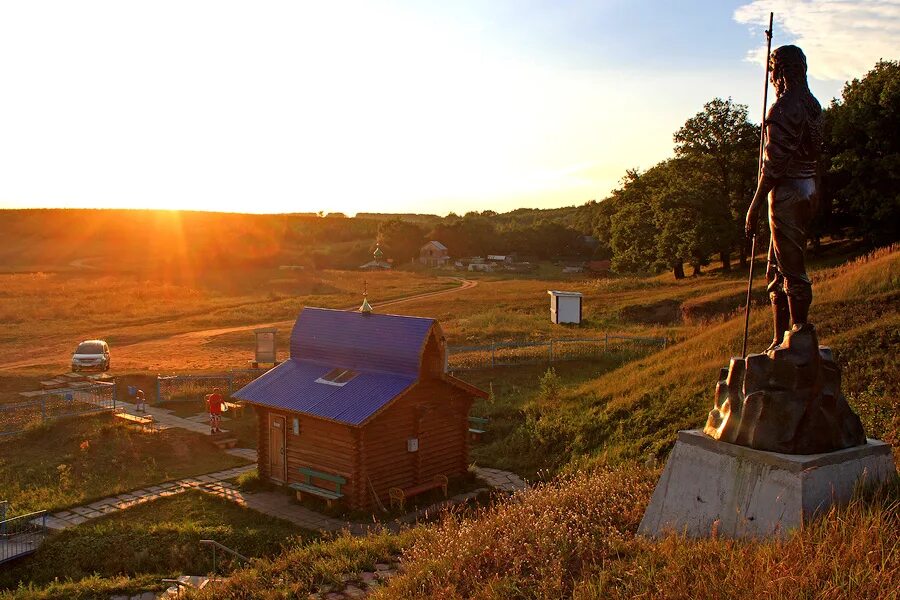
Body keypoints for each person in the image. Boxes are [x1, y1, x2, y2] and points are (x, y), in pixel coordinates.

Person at [745, 44, 823, 352]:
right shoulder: (814, 106)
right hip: (808, 190)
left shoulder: (783, 108)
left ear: (781, 73)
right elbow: (819, 157)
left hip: (786, 195)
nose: (773, 81)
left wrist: (753, 206)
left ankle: (799, 338)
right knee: (775, 269)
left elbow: (772, 165)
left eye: (773, 74)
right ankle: (779, 339)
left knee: (790, 270)